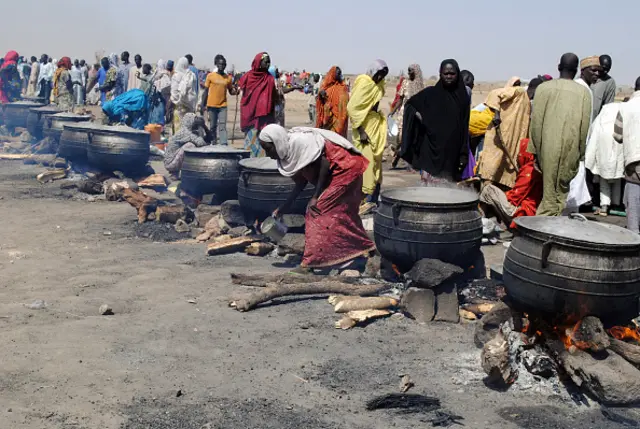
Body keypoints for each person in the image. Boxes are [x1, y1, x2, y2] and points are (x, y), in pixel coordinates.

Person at [259, 124, 376, 269]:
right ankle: (363, 248)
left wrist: (316, 196)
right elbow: (301, 182)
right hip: (336, 171)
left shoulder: (300, 143)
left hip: (345, 167)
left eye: (268, 148)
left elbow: (325, 163)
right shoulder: (289, 152)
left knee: (315, 211)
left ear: (277, 141)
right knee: (343, 213)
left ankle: (311, 262)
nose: (267, 154)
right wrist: (284, 207)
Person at [528, 53, 592, 216]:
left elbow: (536, 124)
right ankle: (550, 222)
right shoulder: (583, 92)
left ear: (558, 67)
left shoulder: (543, 88)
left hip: (547, 147)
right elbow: (584, 126)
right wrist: (581, 153)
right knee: (561, 191)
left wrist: (535, 151)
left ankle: (546, 223)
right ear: (576, 70)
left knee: (549, 189)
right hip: (571, 147)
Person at [400, 59, 470, 184]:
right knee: (429, 192)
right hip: (430, 151)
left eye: (452, 73)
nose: (449, 76)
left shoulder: (463, 97)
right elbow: (410, 105)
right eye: (445, 73)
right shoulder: (430, 93)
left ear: (457, 74)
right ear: (440, 74)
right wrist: (419, 117)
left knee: (448, 190)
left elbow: (464, 126)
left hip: (452, 152)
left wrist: (463, 154)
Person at [476, 76, 531, 189]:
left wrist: (496, 114)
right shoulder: (518, 93)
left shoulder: (520, 95)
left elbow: (495, 94)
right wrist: (496, 115)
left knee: (493, 168)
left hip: (505, 137)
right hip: (503, 135)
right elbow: (495, 94)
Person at [347, 59, 389, 205]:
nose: (380, 78)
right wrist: (361, 130)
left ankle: (373, 198)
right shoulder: (364, 83)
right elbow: (352, 108)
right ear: (373, 71)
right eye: (379, 74)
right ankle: (364, 199)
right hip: (364, 128)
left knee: (376, 164)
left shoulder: (378, 85)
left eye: (383, 75)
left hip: (374, 127)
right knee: (366, 164)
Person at [585, 102, 624, 216]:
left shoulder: (600, 122)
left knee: (604, 181)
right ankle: (616, 204)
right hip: (618, 161)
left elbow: (592, 139)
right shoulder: (621, 124)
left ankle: (604, 206)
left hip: (602, 159)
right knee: (617, 179)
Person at [614, 77, 640, 233]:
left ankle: (634, 234)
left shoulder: (626, 107)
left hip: (633, 161)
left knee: (633, 196)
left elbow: (617, 135)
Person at [238, 52, 276, 157]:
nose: (268, 64)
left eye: (269, 62)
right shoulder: (248, 76)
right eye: (266, 62)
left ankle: (260, 165)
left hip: (264, 117)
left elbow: (274, 97)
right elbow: (240, 89)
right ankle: (248, 162)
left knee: (263, 140)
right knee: (251, 140)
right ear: (259, 62)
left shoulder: (270, 79)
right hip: (250, 114)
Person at [389, 64, 424, 167]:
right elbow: (400, 99)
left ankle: (403, 156)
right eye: (408, 71)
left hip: (415, 114)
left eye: (410, 71)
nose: (408, 73)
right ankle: (398, 153)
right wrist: (393, 111)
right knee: (400, 136)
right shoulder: (405, 83)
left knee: (411, 138)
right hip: (404, 113)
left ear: (416, 71)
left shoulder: (420, 85)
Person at [201, 55, 238, 145]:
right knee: (213, 126)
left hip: (222, 106)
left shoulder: (228, 78)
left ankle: (224, 144)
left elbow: (231, 91)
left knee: (222, 126)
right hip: (211, 105)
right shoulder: (210, 76)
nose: (222, 66)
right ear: (217, 65)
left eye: (224, 64)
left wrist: (236, 91)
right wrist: (203, 104)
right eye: (220, 64)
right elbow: (206, 91)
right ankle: (213, 143)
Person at [316, 66, 349, 137]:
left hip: (338, 120)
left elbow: (344, 107)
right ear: (333, 74)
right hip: (328, 121)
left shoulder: (343, 88)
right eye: (338, 73)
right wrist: (321, 95)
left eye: (340, 73)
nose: (340, 75)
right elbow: (320, 101)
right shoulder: (325, 87)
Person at [170, 57, 197, 133]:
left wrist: (174, 102)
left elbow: (174, 93)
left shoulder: (176, 76)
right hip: (189, 107)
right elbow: (194, 92)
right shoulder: (191, 75)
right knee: (188, 128)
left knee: (178, 129)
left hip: (179, 107)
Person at [148, 59, 171, 126]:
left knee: (159, 118)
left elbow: (166, 87)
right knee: (153, 117)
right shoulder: (157, 75)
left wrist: (159, 87)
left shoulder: (165, 75)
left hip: (161, 100)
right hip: (155, 100)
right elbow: (150, 81)